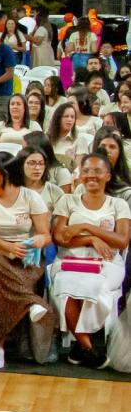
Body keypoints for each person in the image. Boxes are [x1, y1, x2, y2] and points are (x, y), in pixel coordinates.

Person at [0, 152, 55, 369]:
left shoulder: (30, 197)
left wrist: (36, 241)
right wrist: (8, 248)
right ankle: (30, 302)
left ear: (4, 174)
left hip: (24, 258)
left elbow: (46, 235)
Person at [50, 152, 130, 368]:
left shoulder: (118, 204)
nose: (91, 175)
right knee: (65, 285)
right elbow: (60, 237)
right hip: (70, 261)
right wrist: (91, 239)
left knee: (95, 286)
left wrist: (86, 227)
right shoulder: (68, 200)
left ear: (108, 175)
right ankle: (87, 346)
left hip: (106, 263)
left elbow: (122, 241)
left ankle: (79, 343)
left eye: (96, 171)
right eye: (86, 171)